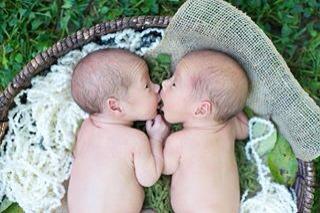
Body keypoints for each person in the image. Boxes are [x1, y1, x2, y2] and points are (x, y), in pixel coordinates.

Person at [68, 48, 169, 213]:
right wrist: (156, 139)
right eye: (147, 86)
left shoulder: (86, 128)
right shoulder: (135, 140)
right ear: (115, 106)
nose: (157, 87)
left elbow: (76, 155)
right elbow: (149, 177)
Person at [160, 49, 249, 212]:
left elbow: (165, 168)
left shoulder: (178, 142)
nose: (165, 83)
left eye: (174, 84)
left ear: (201, 110)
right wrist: (230, 107)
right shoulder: (230, 128)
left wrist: (158, 138)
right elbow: (245, 129)